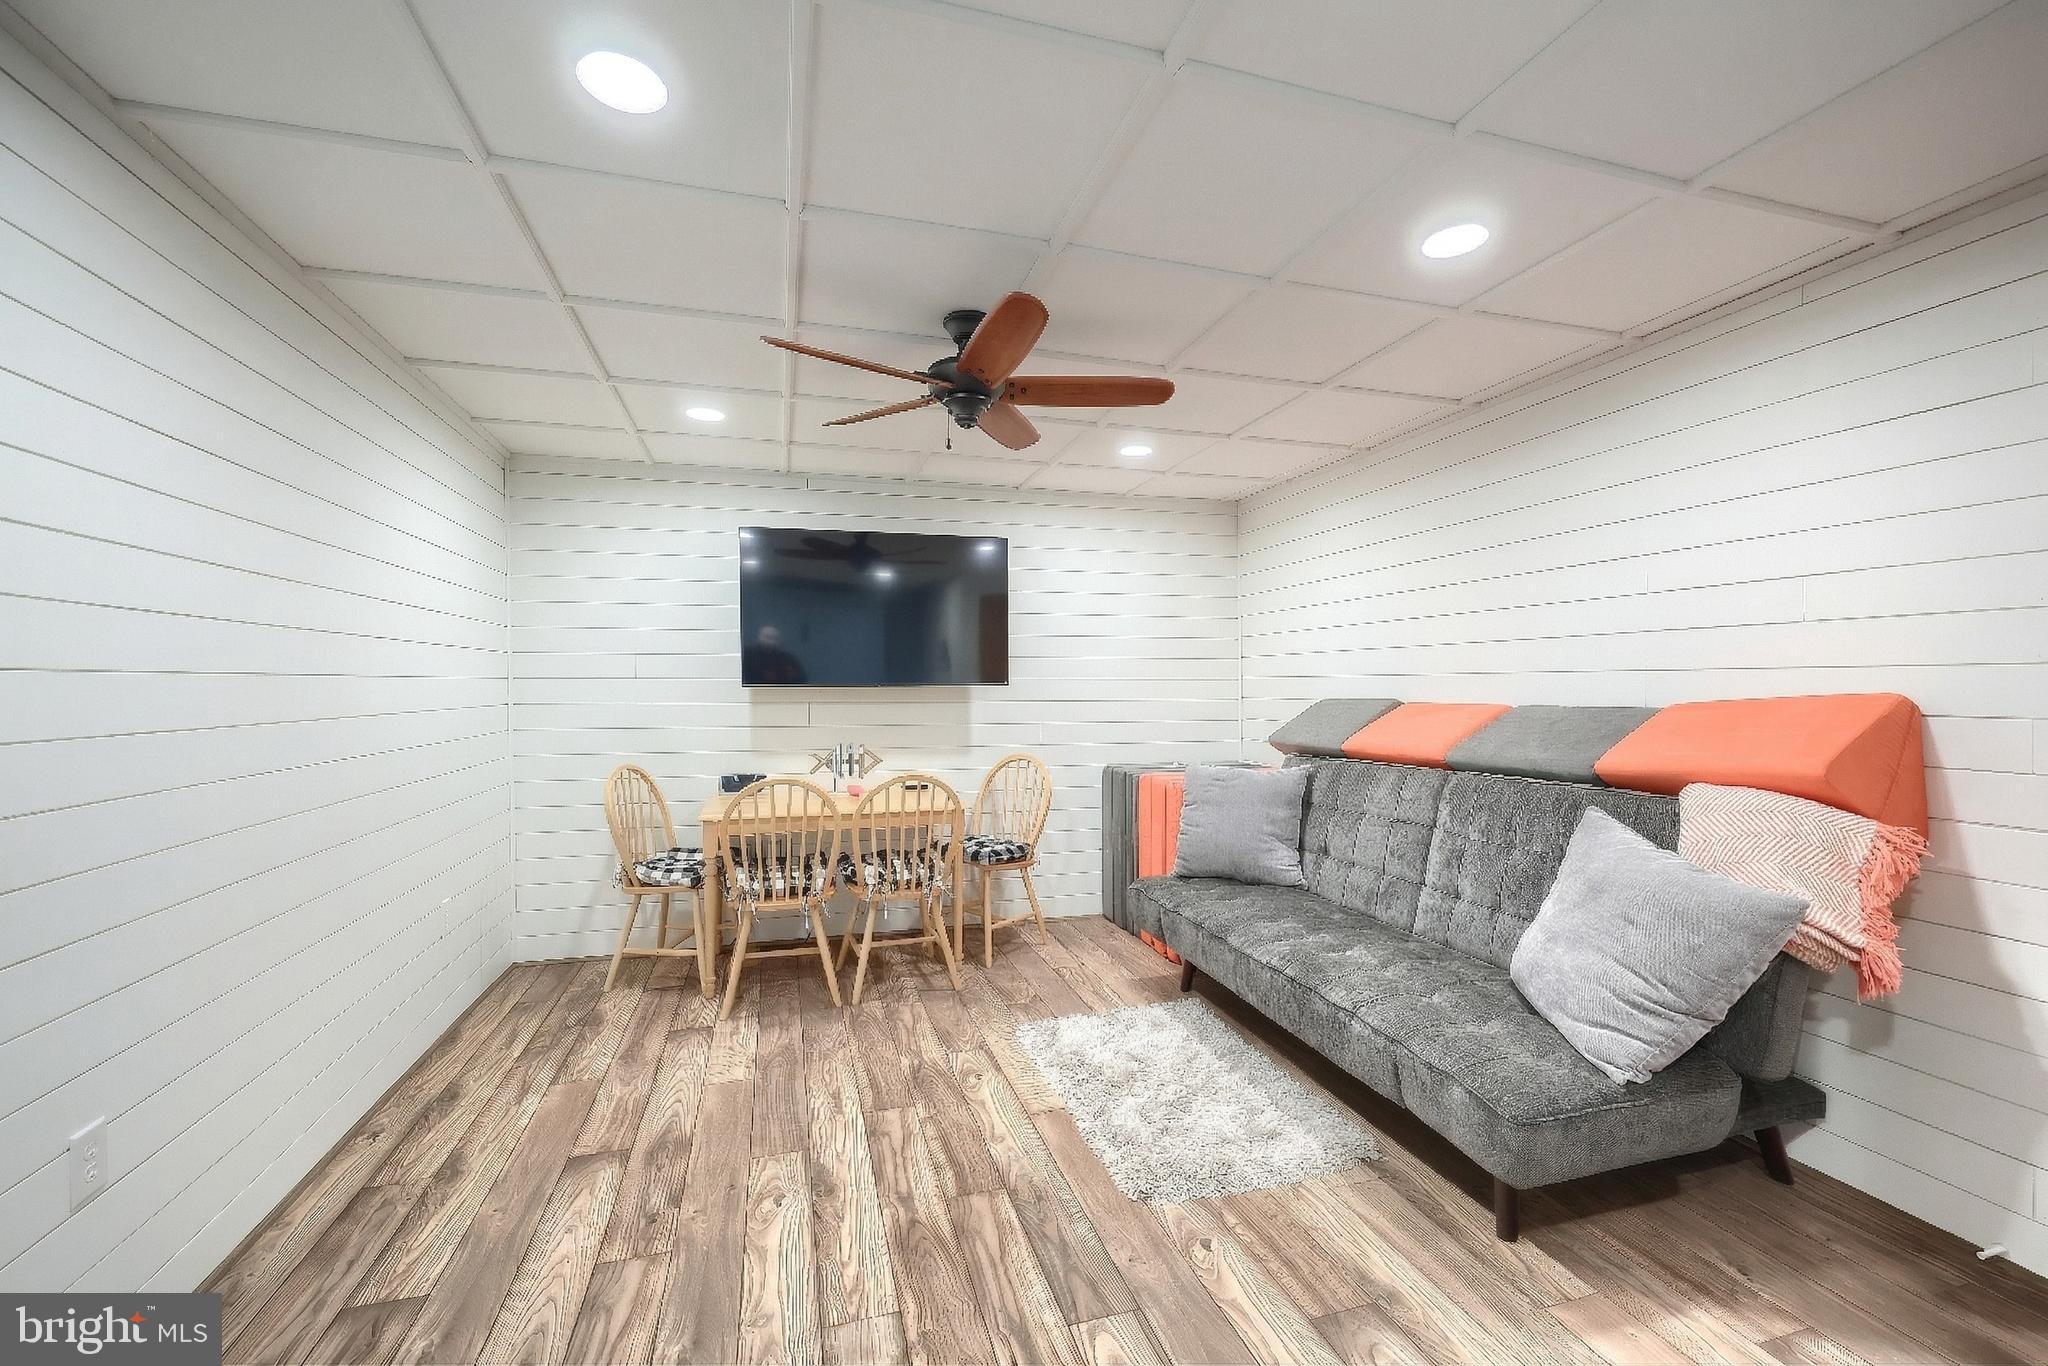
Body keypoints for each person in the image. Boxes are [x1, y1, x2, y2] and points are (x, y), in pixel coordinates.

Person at [743, 623, 808, 685]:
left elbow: (801, 678)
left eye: (774, 638)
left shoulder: (787, 658)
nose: (770, 642)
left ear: (778, 640)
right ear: (759, 637)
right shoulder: (748, 655)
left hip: (779, 691)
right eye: (767, 637)